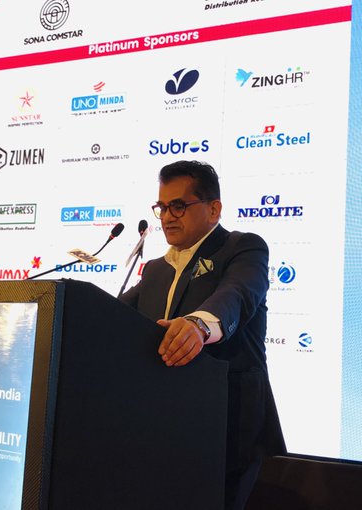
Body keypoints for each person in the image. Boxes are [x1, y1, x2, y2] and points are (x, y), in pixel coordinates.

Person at [121, 160, 286, 510]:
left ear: (213, 209)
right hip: (162, 426)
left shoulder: (243, 249)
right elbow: (112, 316)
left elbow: (236, 295)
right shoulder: (156, 269)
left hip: (228, 425)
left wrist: (197, 326)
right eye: (162, 207)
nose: (167, 217)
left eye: (179, 206)